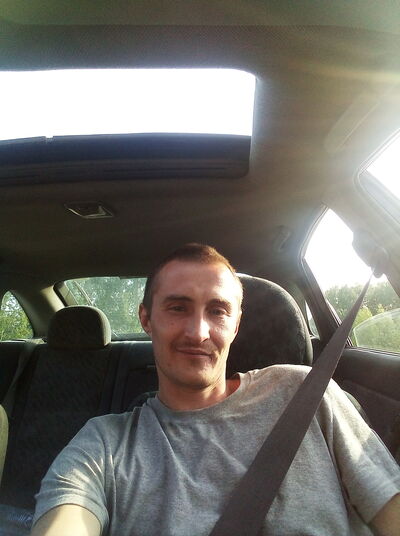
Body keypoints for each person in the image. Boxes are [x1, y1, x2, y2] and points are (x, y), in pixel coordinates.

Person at [31, 243, 400, 536]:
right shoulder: (104, 444)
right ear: (146, 318)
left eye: (218, 311)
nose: (198, 333)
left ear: (236, 325)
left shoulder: (306, 394)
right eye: (178, 308)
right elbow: (66, 518)